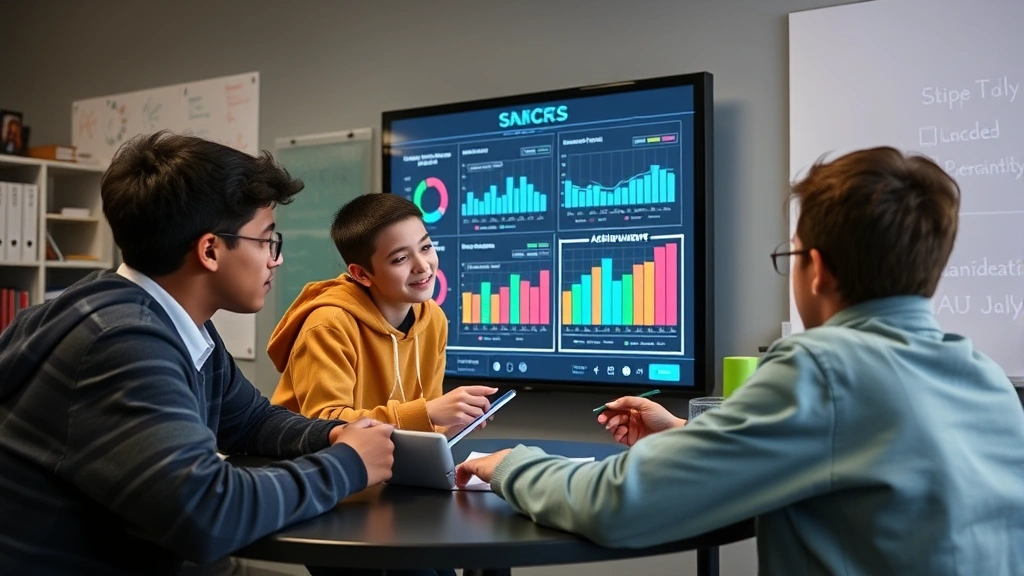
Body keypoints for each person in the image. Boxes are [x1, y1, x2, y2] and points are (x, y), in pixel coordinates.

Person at [457, 147, 1024, 575]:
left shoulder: (824, 367)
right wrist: (687, 433)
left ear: (817, 268)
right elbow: (848, 464)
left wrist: (512, 463)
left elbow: (617, 504)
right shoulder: (983, 376)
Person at [0, 132, 396, 576]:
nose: (275, 259)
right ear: (210, 250)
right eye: (267, 240)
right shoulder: (124, 342)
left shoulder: (166, 320)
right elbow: (208, 513)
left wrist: (336, 435)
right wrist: (348, 465)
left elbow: (249, 422)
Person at [269, 193, 496, 434]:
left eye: (426, 247)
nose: (423, 265)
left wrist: (447, 423)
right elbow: (325, 424)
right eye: (400, 259)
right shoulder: (328, 324)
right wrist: (427, 413)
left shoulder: (434, 318)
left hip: (387, 463)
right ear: (362, 274)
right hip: (311, 465)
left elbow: (425, 425)